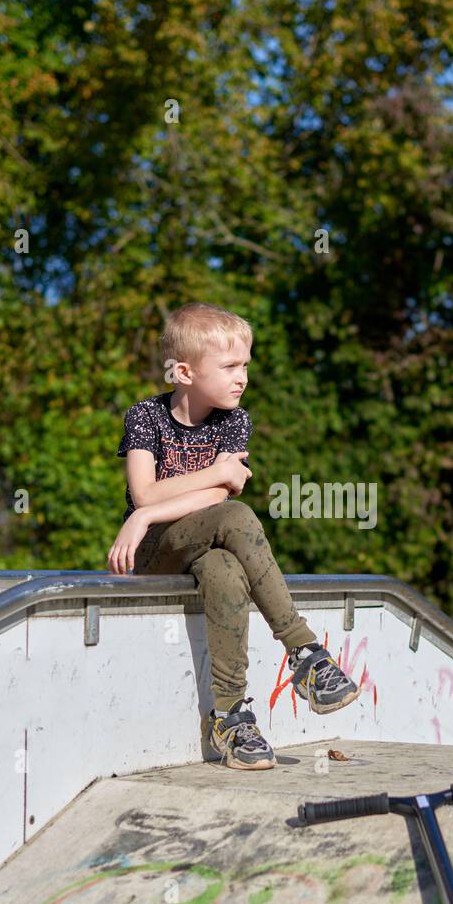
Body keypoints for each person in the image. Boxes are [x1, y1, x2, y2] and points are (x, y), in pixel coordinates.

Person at [107, 301, 360, 769]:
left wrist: (155, 506)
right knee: (239, 517)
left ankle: (231, 718)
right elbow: (145, 492)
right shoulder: (145, 417)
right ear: (184, 371)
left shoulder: (235, 420)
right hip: (156, 553)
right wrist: (147, 514)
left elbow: (225, 489)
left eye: (245, 364)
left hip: (200, 544)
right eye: (229, 367)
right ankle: (304, 652)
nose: (242, 377)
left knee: (225, 571)